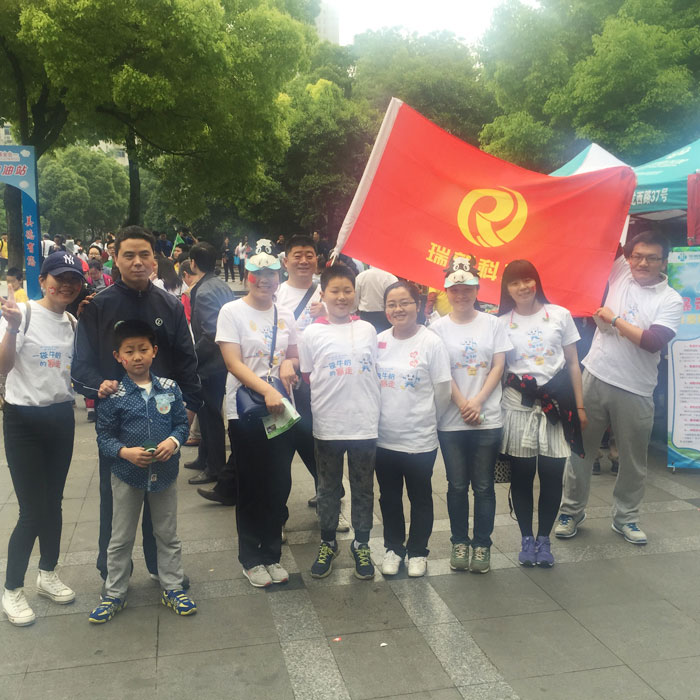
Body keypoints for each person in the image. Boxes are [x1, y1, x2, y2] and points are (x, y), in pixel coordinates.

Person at [72, 226, 201, 584]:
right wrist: (100, 385)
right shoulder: (98, 306)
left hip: (163, 423)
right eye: (128, 255)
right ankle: (114, 571)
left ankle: (162, 568)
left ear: (154, 259)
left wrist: (187, 414)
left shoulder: (169, 306)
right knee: (115, 503)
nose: (137, 262)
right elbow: (80, 367)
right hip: (118, 427)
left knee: (161, 502)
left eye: (144, 254)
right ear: (115, 258)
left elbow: (187, 363)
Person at [556, 231, 683, 544]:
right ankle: (571, 512)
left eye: (651, 258)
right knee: (580, 451)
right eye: (637, 256)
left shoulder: (670, 299)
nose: (642, 263)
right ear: (629, 258)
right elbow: (604, 230)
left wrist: (614, 321)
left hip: (636, 389)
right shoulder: (621, 270)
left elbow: (652, 341)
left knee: (632, 460)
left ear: (664, 262)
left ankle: (626, 518)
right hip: (595, 375)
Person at [88, 320, 195, 623]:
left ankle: (172, 587)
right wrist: (125, 452)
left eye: (143, 349)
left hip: (165, 473)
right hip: (126, 474)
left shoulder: (169, 388)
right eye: (129, 351)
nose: (137, 356)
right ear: (118, 356)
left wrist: (173, 442)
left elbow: (181, 424)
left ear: (154, 351)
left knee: (167, 533)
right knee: (121, 537)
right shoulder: (113, 395)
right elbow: (104, 436)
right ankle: (114, 593)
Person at [0, 252, 85, 626]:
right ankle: (11, 589)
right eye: (58, 278)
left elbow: (76, 373)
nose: (65, 285)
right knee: (32, 509)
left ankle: (48, 573)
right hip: (23, 421)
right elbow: (3, 367)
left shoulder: (72, 322)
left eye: (73, 279)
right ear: (43, 280)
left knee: (54, 503)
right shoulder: (22, 314)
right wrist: (12, 328)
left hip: (60, 418)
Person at [215, 239, 298, 587]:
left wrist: (290, 365)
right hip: (246, 409)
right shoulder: (231, 312)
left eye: (271, 273)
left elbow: (292, 354)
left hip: (281, 409)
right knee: (251, 484)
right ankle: (251, 558)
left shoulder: (285, 313)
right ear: (247, 275)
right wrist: (266, 390)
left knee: (278, 482)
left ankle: (272, 554)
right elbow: (233, 363)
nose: (265, 279)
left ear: (279, 276)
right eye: (258, 273)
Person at [497, 260, 585, 568]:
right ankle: (526, 538)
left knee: (552, 475)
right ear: (506, 289)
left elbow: (573, 363)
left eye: (528, 280)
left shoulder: (559, 315)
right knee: (522, 477)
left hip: (556, 407)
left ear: (537, 281)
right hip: (518, 407)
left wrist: (580, 406)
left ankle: (544, 539)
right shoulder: (501, 323)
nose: (522, 287)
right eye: (514, 282)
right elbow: (499, 368)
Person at [430, 257, 512, 574]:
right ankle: (459, 542)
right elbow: (441, 371)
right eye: (455, 289)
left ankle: (482, 545)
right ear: (447, 291)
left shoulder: (493, 324)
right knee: (456, 485)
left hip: (487, 418)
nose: (461, 294)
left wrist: (477, 402)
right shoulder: (437, 329)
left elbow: (499, 366)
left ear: (477, 289)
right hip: (451, 421)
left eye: (467, 288)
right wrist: (463, 402)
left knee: (484, 487)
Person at [300, 264, 380, 580]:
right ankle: (328, 542)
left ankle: (361, 544)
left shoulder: (368, 330)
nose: (342, 296)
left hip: (364, 424)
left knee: (363, 488)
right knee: (328, 488)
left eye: (348, 290)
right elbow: (308, 375)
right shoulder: (311, 333)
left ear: (355, 294)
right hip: (328, 425)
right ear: (323, 294)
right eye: (335, 290)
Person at [376, 281, 451, 577]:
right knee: (389, 497)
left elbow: (442, 391)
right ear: (385, 309)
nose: (398, 309)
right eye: (392, 304)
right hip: (383, 438)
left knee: (420, 496)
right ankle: (393, 548)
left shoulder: (431, 342)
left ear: (417, 305)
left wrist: (429, 420)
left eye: (405, 302)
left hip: (419, 438)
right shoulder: (379, 341)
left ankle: (418, 551)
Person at [182, 242, 235, 492]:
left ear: (193, 263)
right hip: (220, 361)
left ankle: (214, 466)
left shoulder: (203, 291)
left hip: (210, 363)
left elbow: (211, 333)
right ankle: (204, 457)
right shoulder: (220, 285)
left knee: (210, 415)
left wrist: (191, 358)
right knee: (206, 413)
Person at [354, 266, 398, 333]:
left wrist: (353, 310)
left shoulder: (361, 276)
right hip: (385, 316)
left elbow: (355, 296)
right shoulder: (391, 277)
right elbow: (396, 298)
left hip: (365, 315)